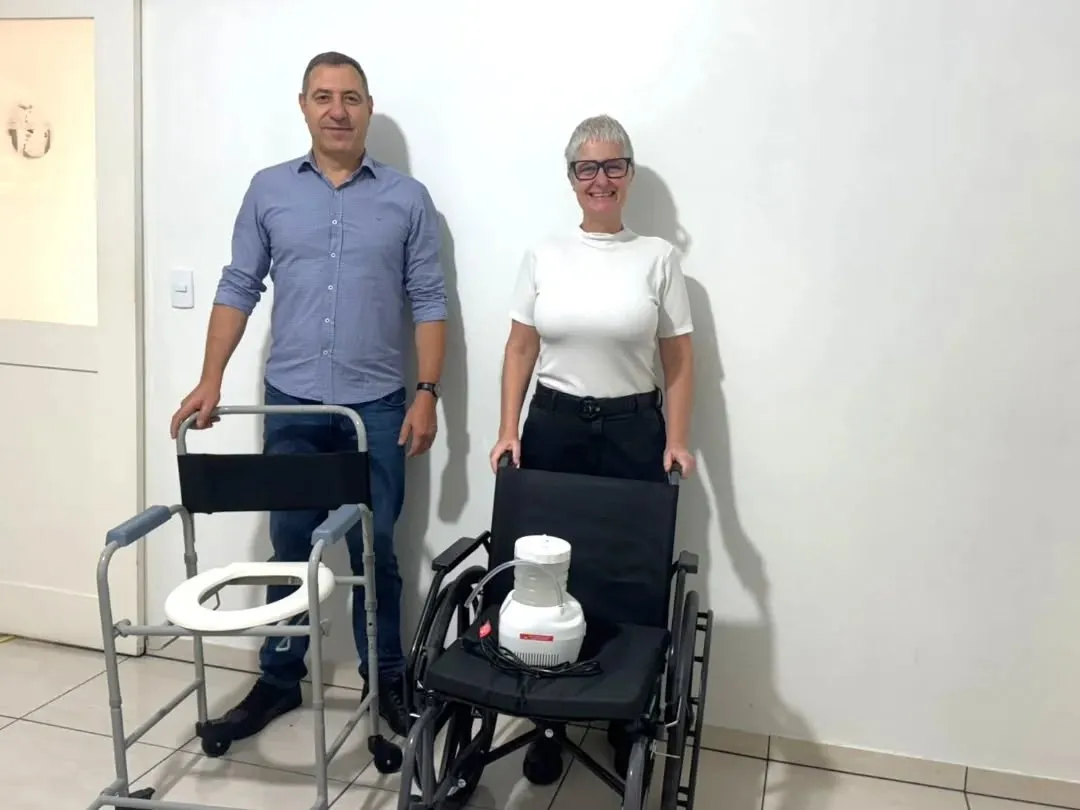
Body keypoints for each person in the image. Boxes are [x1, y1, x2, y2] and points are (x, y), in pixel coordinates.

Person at [169, 51, 447, 739]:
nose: (337, 110)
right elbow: (239, 284)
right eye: (323, 96)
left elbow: (429, 299)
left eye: (351, 97)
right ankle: (278, 680)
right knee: (290, 545)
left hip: (376, 410)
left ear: (368, 107)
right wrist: (211, 378)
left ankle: (386, 680)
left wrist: (427, 392)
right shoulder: (268, 190)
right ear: (303, 106)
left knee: (377, 551)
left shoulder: (407, 199)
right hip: (291, 403)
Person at [489, 114, 696, 783]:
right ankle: (547, 718)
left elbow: (679, 360)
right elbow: (520, 347)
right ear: (571, 177)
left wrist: (676, 440)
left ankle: (622, 715)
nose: (600, 179)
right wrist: (508, 427)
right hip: (553, 426)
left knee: (627, 572)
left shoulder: (658, 257)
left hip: (633, 430)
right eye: (587, 168)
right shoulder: (544, 253)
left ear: (628, 174)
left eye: (613, 166)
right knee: (547, 574)